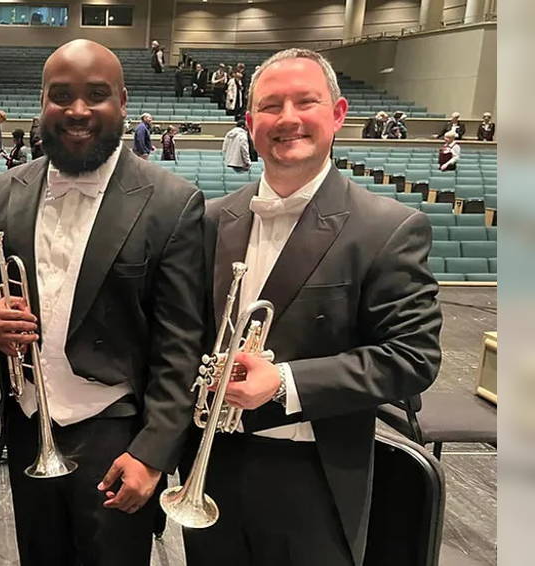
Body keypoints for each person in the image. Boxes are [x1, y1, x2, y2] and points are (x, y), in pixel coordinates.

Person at [184, 47, 441, 566]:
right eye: (272, 106)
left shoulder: (387, 228)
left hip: (316, 475)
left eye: (306, 102)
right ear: (250, 120)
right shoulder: (212, 219)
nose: (288, 119)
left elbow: (414, 358)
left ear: (338, 114)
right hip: (215, 465)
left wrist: (284, 383)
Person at [0, 38, 205, 566]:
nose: (77, 111)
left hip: (116, 431)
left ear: (122, 102)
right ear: (42, 103)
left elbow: (181, 344)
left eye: (96, 95)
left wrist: (151, 454)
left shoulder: (172, 202)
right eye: (61, 96)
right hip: (29, 421)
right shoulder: (6, 189)